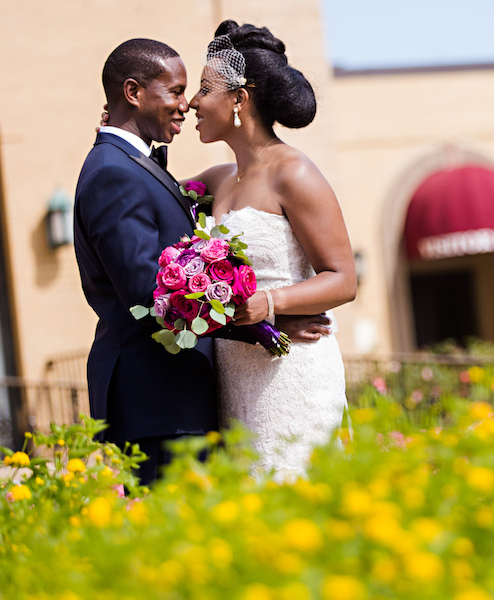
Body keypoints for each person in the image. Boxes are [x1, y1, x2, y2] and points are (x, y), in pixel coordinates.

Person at [74, 39, 331, 486]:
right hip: (158, 401)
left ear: (239, 99)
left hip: (198, 395)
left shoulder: (133, 166)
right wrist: (261, 325)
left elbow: (165, 208)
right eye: (175, 91)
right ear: (133, 92)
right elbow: (149, 294)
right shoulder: (115, 171)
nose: (186, 103)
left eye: (194, 90)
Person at [184, 20, 356, 481]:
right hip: (236, 377)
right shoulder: (217, 180)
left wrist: (272, 302)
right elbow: (149, 196)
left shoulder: (294, 173)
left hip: (293, 375)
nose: (193, 102)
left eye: (204, 89)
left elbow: (343, 277)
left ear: (239, 99)